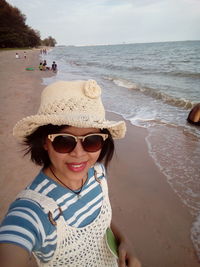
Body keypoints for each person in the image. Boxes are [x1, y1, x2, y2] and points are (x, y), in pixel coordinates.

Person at [0, 80, 141, 267]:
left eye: (92, 140)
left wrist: (125, 241)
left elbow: (98, 217)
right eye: (64, 141)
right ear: (45, 142)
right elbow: (16, 237)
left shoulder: (97, 173)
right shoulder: (33, 211)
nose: (79, 153)